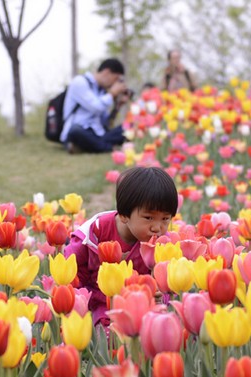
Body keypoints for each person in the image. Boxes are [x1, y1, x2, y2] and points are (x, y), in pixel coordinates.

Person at [64, 167, 179, 325]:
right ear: (124, 215)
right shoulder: (94, 234)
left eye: (165, 219)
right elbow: (72, 273)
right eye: (148, 217)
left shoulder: (162, 244)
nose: (157, 227)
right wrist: (77, 306)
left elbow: (167, 283)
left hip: (142, 304)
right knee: (110, 335)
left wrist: (161, 295)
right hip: (102, 302)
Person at [60, 58, 130, 154]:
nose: (115, 84)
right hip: (79, 131)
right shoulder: (79, 82)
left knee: (129, 127)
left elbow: (105, 123)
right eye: (116, 79)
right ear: (106, 72)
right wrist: (112, 94)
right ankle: (110, 147)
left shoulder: (102, 91)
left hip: (97, 134)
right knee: (76, 130)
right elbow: (96, 107)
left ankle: (88, 147)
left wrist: (117, 107)